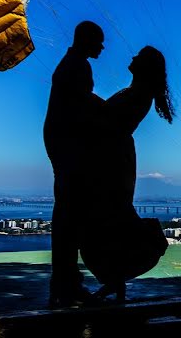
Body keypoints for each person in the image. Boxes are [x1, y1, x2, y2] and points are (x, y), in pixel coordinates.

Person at [80, 45, 175, 303]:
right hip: (114, 158)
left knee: (107, 217)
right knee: (110, 218)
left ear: (144, 66)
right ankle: (115, 281)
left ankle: (118, 275)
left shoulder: (139, 94)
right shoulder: (137, 93)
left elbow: (108, 119)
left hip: (113, 161)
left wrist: (84, 97)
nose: (131, 57)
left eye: (138, 56)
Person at [43, 20, 105, 308]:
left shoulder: (71, 63)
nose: (102, 48)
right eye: (99, 42)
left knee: (68, 215)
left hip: (61, 143)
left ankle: (65, 283)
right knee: (69, 217)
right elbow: (82, 106)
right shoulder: (77, 66)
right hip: (69, 145)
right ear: (87, 40)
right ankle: (66, 284)